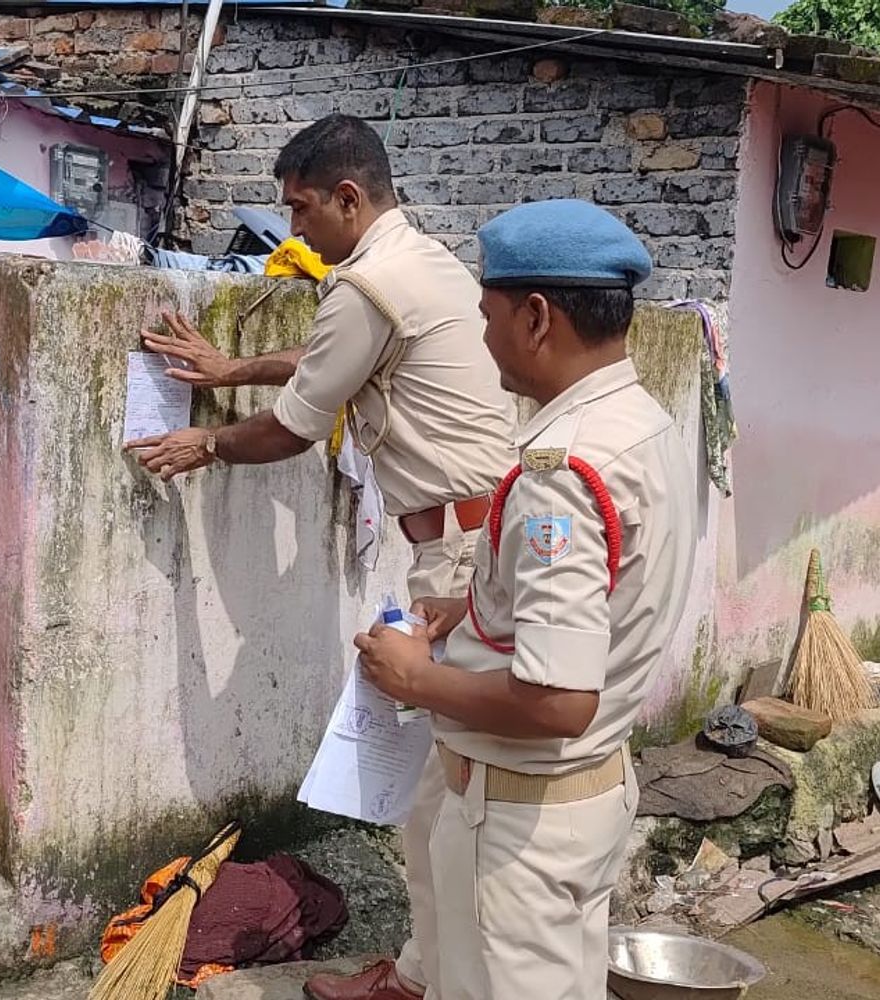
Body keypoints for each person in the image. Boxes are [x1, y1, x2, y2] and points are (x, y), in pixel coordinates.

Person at [125, 115, 516, 998]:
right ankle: (418, 978)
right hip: (471, 541)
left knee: (455, 802)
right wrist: (227, 373)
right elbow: (326, 360)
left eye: (302, 211)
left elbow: (297, 427)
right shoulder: (422, 264)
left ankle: (435, 983)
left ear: (348, 197)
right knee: (443, 799)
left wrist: (209, 447)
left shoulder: (369, 285)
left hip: (460, 558)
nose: (293, 232)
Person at [346, 199, 698, 1000]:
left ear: (535, 317)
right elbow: (599, 607)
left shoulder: (560, 473)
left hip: (521, 821)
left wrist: (414, 677)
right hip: (588, 795)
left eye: (488, 313)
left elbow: (556, 699)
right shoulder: (643, 426)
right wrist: (468, 619)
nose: (483, 335)